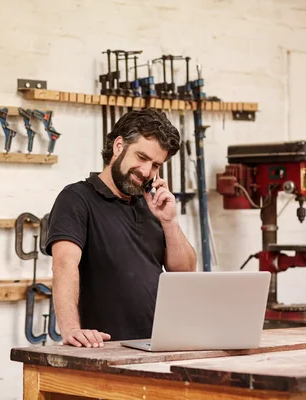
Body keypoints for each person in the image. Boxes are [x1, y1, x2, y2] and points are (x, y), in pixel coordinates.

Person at [44, 108, 197, 348]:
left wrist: (169, 221)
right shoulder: (76, 198)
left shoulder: (152, 203)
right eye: (142, 157)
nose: (147, 172)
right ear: (118, 146)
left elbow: (185, 273)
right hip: (106, 348)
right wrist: (71, 329)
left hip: (159, 345)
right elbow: (64, 263)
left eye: (156, 165)